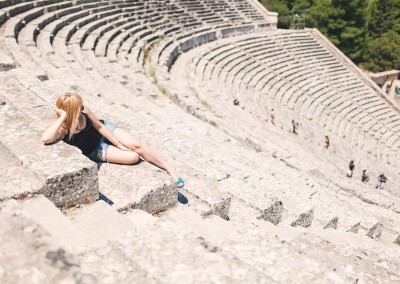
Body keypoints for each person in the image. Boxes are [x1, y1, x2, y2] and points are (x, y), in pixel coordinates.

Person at [42, 93, 184, 188]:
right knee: (134, 156)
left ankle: (169, 170)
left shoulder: (84, 110)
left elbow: (99, 126)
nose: (82, 106)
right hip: (95, 149)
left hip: (105, 131)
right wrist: (63, 117)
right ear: (72, 110)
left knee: (136, 145)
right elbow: (46, 138)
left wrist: (118, 143)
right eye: (78, 106)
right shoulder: (64, 128)